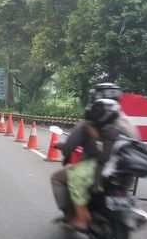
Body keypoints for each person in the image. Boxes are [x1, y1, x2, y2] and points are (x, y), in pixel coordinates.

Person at [51, 83, 140, 230]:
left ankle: (77, 216)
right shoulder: (126, 121)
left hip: (100, 168)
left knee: (59, 178)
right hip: (125, 171)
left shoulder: (89, 123)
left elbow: (68, 148)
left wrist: (60, 146)